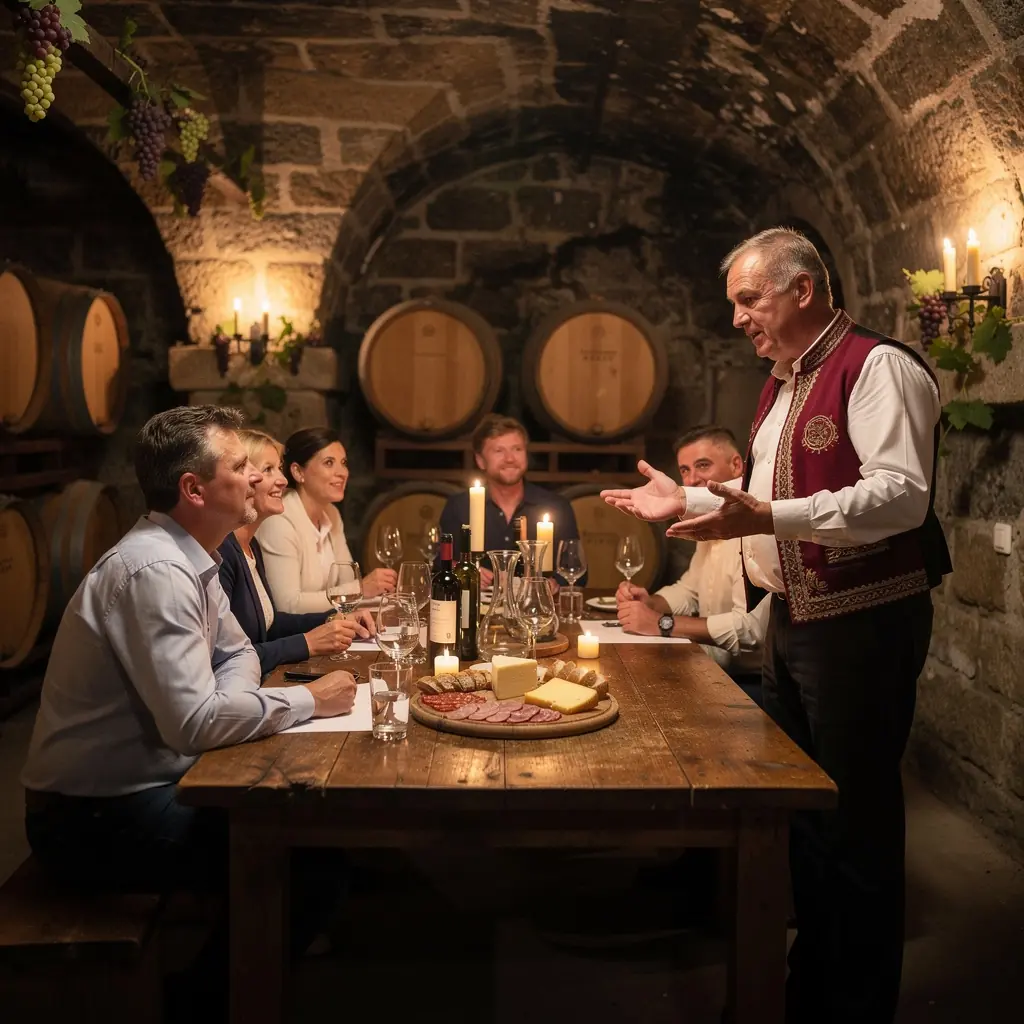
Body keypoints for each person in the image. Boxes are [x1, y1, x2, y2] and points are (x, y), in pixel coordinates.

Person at [601, 227, 951, 1024]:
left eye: (748, 300)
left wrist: (769, 518)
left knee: (856, 830)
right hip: (796, 621)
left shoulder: (877, 367)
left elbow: (901, 496)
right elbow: (760, 500)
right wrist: (687, 500)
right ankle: (809, 998)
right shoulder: (782, 384)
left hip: (862, 622)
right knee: (807, 826)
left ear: (803, 289)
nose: (737, 319)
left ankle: (853, 1007)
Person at [21, 405, 356, 896]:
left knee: (311, 836)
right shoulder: (157, 570)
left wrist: (225, 702)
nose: (257, 478)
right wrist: (310, 699)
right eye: (240, 466)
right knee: (306, 858)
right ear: (194, 490)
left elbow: (239, 653)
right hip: (94, 813)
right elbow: (195, 725)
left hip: (145, 786)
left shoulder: (194, 555)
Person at [615, 425, 769, 697]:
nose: (692, 479)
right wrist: (650, 602)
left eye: (703, 465)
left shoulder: (758, 528)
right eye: (685, 470)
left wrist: (661, 623)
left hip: (752, 685)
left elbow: (751, 629)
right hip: (716, 671)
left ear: (736, 466)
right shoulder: (710, 523)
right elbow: (690, 590)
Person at [218, 428, 378, 677]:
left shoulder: (250, 545)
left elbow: (270, 625)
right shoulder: (223, 552)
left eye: (279, 469)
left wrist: (331, 619)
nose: (282, 480)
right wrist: (307, 643)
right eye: (268, 469)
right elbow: (228, 659)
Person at [258, 427, 397, 613]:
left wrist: (369, 593)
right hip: (295, 630)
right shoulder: (279, 520)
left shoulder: (332, 514)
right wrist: (360, 589)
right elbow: (288, 604)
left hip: (329, 624)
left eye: (343, 463)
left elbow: (348, 582)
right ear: (298, 472)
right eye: (329, 463)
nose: (342, 473)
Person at [438, 414, 583, 588]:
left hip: (535, 603)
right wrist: (462, 571)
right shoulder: (459, 506)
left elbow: (577, 572)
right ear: (480, 461)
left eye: (517, 449)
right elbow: (439, 565)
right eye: (499, 451)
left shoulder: (557, 506)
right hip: (478, 603)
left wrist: (554, 583)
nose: (510, 459)